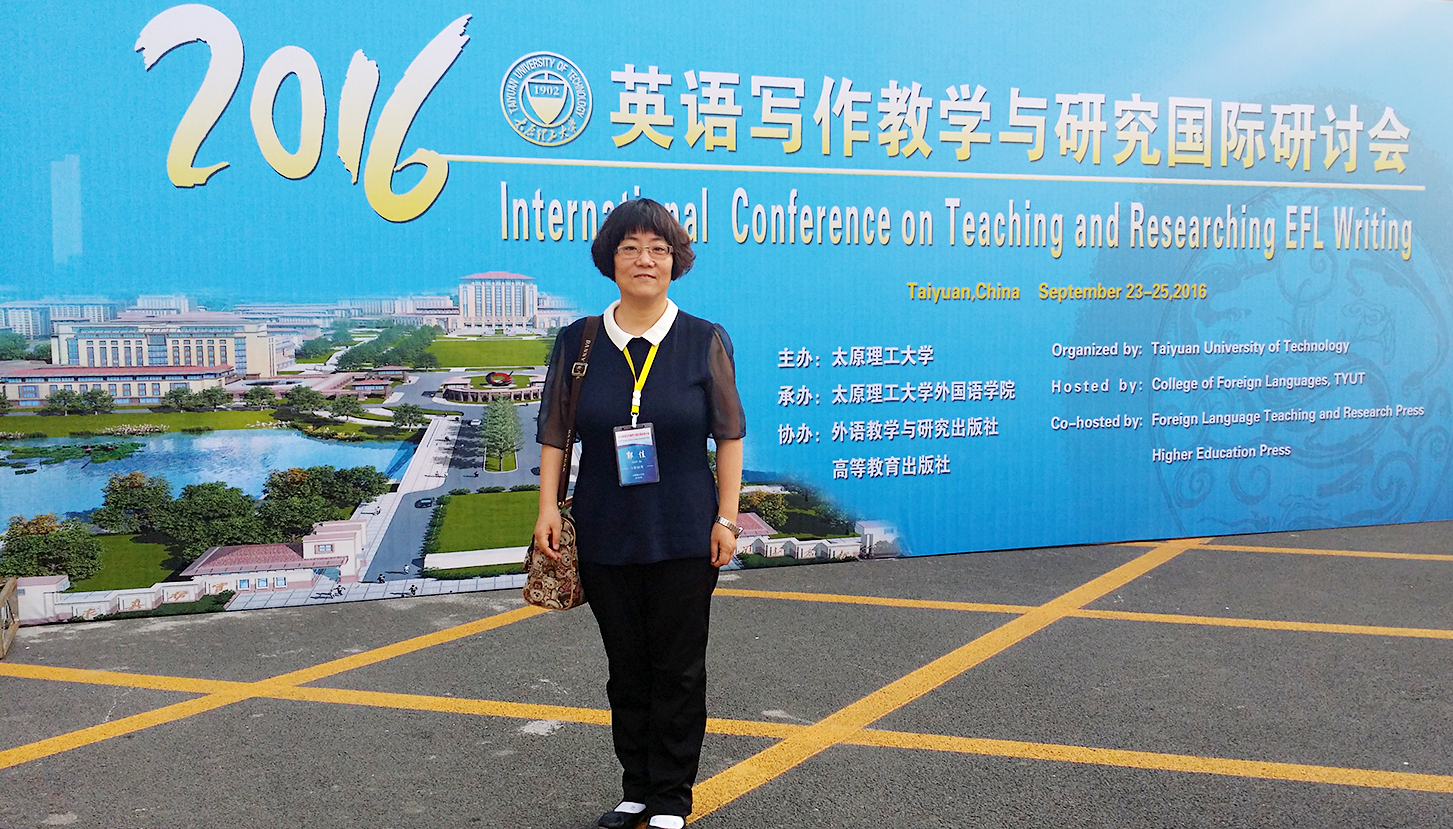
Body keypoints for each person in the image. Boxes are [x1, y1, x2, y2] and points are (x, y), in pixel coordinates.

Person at [533, 198, 745, 829]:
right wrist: (547, 508)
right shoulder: (579, 341)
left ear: (675, 261)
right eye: (630, 248)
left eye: (658, 249)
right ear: (611, 260)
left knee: (677, 668)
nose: (644, 260)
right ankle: (637, 790)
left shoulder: (704, 339)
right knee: (625, 669)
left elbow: (729, 434)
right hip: (604, 528)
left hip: (684, 530)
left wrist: (727, 518)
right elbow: (554, 433)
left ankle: (672, 798)